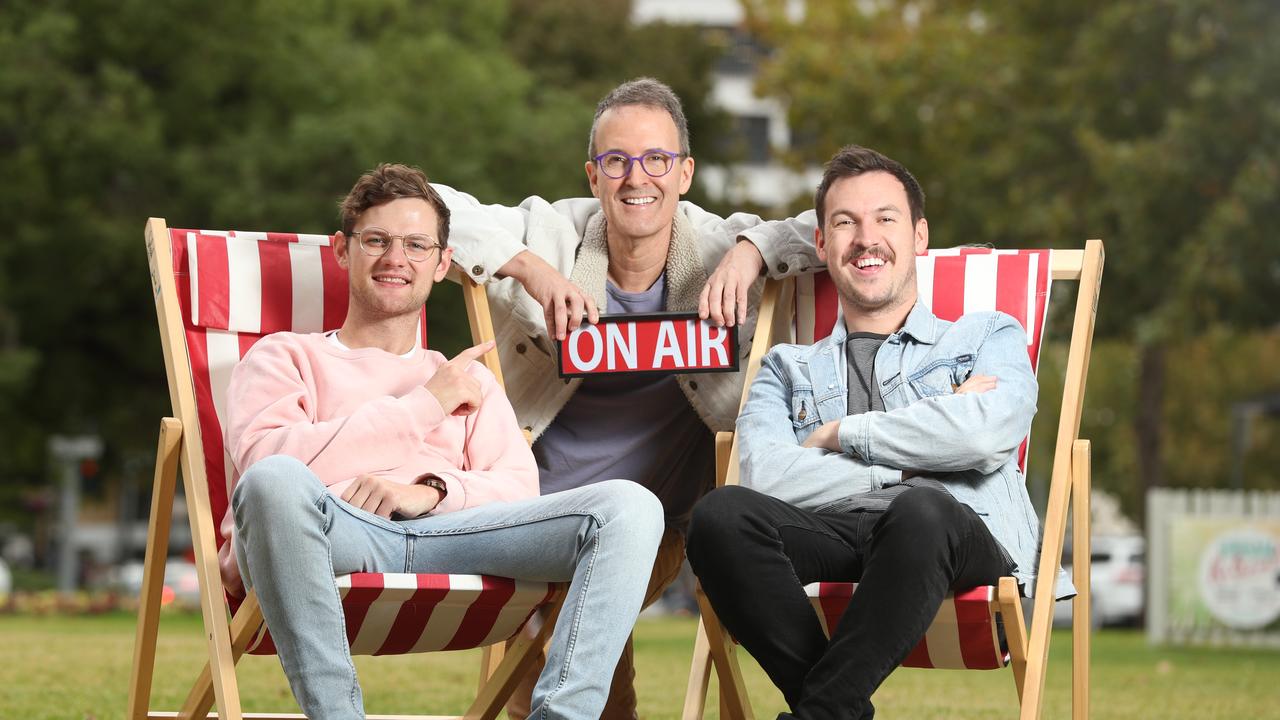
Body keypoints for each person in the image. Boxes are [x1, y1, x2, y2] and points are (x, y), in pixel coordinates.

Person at [219, 163, 664, 720]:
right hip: (337, 532)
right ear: (342, 250)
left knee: (631, 506)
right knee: (272, 480)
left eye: (416, 245)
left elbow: (518, 489)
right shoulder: (284, 357)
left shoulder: (468, 377)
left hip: (457, 535)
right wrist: (423, 406)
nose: (395, 259)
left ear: (442, 263)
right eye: (376, 240)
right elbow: (266, 467)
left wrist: (431, 491)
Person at [435, 77, 818, 718]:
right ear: (593, 175)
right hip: (529, 510)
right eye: (616, 161)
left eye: (657, 160)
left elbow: (837, 220)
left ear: (685, 172)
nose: (636, 178)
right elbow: (424, 205)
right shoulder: (551, 234)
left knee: (569, 608)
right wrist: (530, 268)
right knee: (566, 616)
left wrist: (755, 251)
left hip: (656, 524)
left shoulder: (722, 245)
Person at [686, 145, 1065, 719]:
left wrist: (840, 434)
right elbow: (766, 477)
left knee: (922, 510)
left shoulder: (986, 334)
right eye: (845, 222)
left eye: (885, 218)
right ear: (821, 244)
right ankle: (836, 710)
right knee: (719, 516)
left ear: (918, 236)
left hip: (954, 537)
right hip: (835, 532)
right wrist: (917, 455)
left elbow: (986, 435)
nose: (867, 238)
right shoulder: (787, 368)